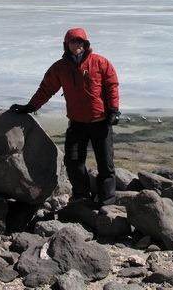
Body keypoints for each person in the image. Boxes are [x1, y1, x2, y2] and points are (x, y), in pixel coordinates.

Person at [11, 27, 120, 206]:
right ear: (66, 45)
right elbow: (46, 89)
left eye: (79, 42)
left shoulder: (100, 62)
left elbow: (111, 86)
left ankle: (107, 202)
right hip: (77, 123)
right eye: (72, 42)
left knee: (106, 164)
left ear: (85, 44)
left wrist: (114, 110)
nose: (76, 45)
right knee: (73, 161)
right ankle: (82, 196)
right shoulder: (60, 68)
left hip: (101, 122)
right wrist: (30, 107)